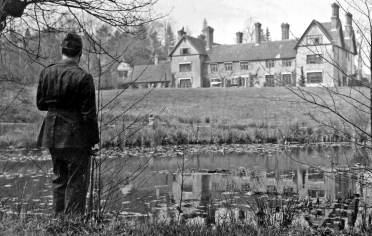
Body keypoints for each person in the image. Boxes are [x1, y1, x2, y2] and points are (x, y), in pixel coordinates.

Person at [36, 32, 99, 216]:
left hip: (52, 134)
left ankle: (58, 221)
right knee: (76, 181)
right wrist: (94, 139)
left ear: (61, 50)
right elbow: (89, 115)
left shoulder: (46, 72)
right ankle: (73, 224)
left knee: (59, 178)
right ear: (80, 53)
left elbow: (41, 104)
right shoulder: (84, 77)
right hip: (75, 136)